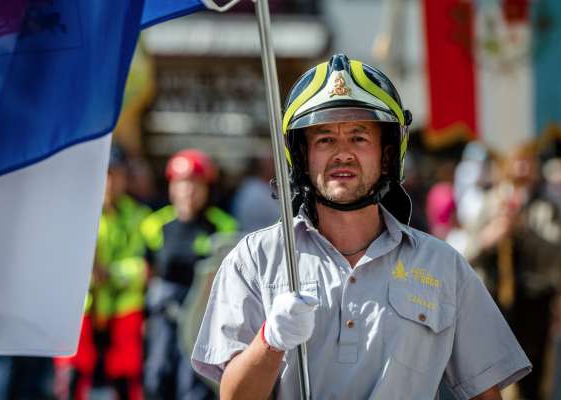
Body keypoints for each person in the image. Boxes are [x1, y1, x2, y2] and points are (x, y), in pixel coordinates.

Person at [191, 54, 531, 399]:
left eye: (358, 138)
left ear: (386, 155)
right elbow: (233, 396)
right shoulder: (255, 259)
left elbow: (484, 392)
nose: (343, 153)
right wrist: (270, 339)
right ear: (302, 156)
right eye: (324, 139)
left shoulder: (443, 266)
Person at [464, 144, 561, 400]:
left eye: (528, 162)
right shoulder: (490, 201)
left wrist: (523, 230)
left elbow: (556, 255)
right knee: (494, 375)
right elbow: (467, 252)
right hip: (495, 298)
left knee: (534, 374)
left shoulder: (548, 205)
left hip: (535, 298)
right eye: (517, 161)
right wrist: (492, 235)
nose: (522, 169)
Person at [141, 149, 237, 400]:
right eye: (182, 184)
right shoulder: (155, 225)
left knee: (193, 384)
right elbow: (147, 273)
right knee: (157, 376)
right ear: (172, 187)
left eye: (195, 184)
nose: (189, 191)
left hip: (201, 318)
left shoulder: (222, 227)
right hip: (164, 317)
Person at [58, 144, 150, 400]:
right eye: (103, 174)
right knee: (71, 381)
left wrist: (110, 273)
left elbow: (142, 268)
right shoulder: (75, 215)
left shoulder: (139, 216)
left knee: (126, 382)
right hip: (83, 313)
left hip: (121, 314)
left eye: (115, 174)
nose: (109, 182)